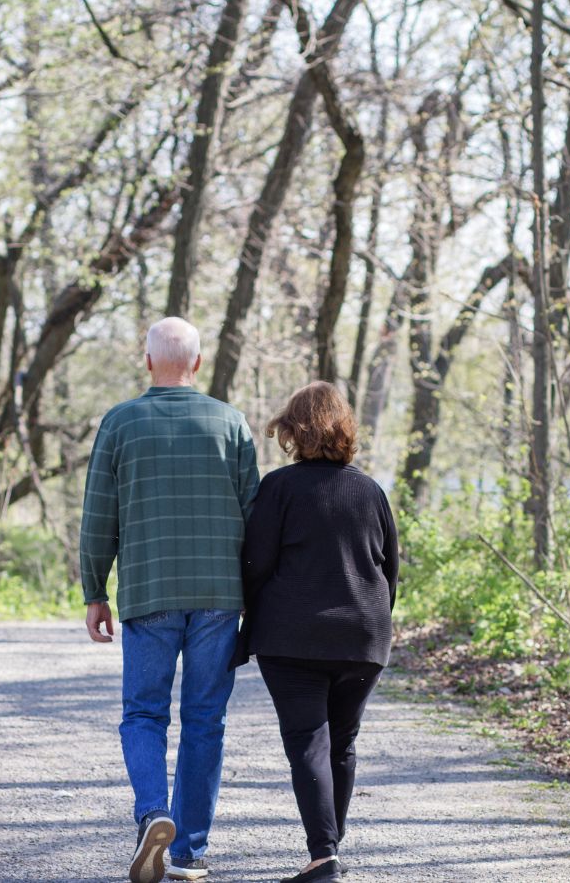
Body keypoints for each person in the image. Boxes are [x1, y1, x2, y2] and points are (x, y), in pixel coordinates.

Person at [79, 317, 260, 883]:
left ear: (149, 361)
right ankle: (189, 850)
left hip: (149, 590)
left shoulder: (120, 422)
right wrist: (256, 595)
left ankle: (154, 814)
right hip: (218, 596)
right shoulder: (230, 422)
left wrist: (94, 591)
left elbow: (97, 517)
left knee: (143, 713)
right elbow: (256, 518)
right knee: (206, 718)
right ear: (198, 364)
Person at [234, 381, 398, 883]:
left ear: (292, 431)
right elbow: (390, 570)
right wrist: (372, 620)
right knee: (342, 742)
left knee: (308, 739)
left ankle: (324, 855)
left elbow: (255, 562)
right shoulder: (370, 490)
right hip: (363, 636)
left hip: (292, 638)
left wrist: (245, 614)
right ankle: (328, 849)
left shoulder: (280, 488)